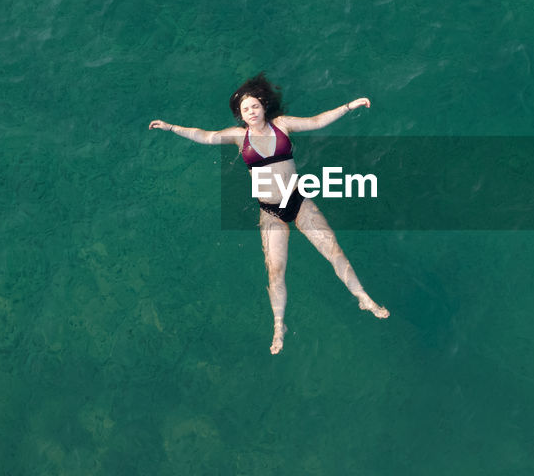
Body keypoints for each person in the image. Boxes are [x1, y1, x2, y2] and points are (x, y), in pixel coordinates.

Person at [149, 74, 389, 354]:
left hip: (298, 201)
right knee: (276, 273)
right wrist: (170, 127)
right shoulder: (240, 137)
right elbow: (204, 136)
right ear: (241, 116)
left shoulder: (282, 126)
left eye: (254, 106)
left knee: (334, 252)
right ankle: (279, 324)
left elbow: (316, 121)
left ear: (263, 107)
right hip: (270, 211)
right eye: (245, 110)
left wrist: (349, 105)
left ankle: (363, 298)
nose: (251, 112)